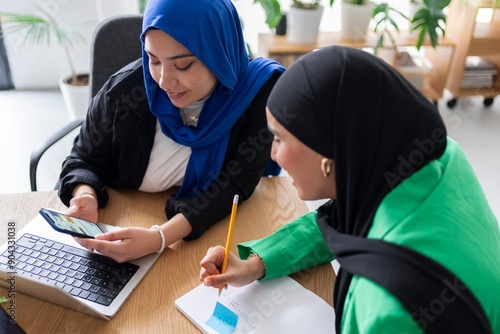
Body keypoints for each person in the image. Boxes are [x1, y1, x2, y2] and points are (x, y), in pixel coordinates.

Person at [200, 46, 500, 333]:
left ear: (329, 150)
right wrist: (255, 265)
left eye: (279, 139)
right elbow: (348, 217)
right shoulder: (438, 155)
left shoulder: (385, 306)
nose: (272, 155)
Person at [58, 0, 285, 262]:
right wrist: (85, 194)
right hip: (118, 218)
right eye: (153, 60)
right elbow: (83, 159)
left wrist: (160, 238)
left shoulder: (257, 93)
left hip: (206, 240)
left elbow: (235, 183)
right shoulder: (123, 93)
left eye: (183, 65)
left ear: (219, 54)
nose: (164, 81)